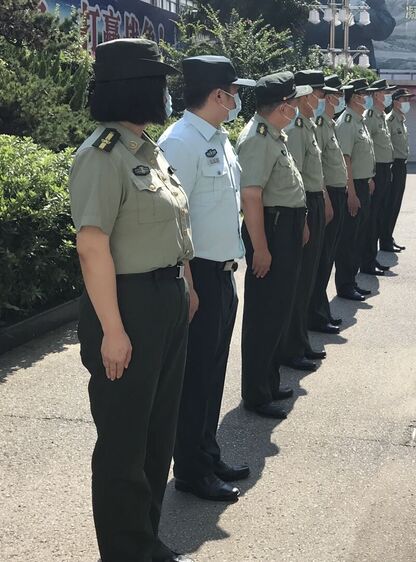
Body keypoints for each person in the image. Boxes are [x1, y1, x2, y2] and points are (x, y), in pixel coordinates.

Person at [68, 38, 194, 562]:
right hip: (127, 306)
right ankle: (124, 552)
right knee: (124, 441)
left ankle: (146, 540)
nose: (165, 94)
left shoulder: (148, 149)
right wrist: (114, 331)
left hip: (165, 299)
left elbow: (173, 227)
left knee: (158, 432)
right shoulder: (101, 156)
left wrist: (186, 286)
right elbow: (92, 247)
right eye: (159, 83)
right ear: (133, 88)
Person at [158, 56, 255, 503]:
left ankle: (207, 452)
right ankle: (192, 470)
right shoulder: (180, 142)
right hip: (198, 276)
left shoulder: (218, 138)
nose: (236, 100)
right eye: (233, 92)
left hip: (223, 273)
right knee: (195, 378)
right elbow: (173, 221)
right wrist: (189, 283)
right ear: (218, 95)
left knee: (213, 373)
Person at [236, 72, 311, 419]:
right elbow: (251, 196)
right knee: (264, 315)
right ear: (283, 106)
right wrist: (261, 249)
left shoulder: (274, 135)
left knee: (278, 309)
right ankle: (256, 393)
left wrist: (301, 223)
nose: (297, 108)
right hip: (272, 230)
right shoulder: (258, 138)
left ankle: (268, 380)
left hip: (286, 226)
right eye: (294, 102)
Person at [280, 70, 332, 372]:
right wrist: (305, 218)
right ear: (304, 97)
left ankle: (301, 341)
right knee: (300, 284)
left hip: (313, 199)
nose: (322, 99)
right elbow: (297, 177)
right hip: (304, 204)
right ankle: (292, 346)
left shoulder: (308, 125)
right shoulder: (297, 129)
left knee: (310, 277)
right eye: (319, 94)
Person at [308, 74, 348, 333]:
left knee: (327, 257)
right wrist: (325, 199)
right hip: (326, 194)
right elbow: (318, 167)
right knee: (321, 261)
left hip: (335, 192)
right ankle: (316, 314)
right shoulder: (319, 124)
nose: (337, 99)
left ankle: (321, 310)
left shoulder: (328, 123)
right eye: (332, 95)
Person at [334, 78, 376, 301]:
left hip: (361, 183)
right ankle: (345, 284)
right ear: (354, 98)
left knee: (358, 235)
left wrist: (368, 179)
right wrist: (351, 192)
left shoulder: (359, 121)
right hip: (352, 186)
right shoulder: (347, 122)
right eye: (363, 95)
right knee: (349, 238)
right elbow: (346, 159)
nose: (367, 98)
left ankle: (352, 280)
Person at [361, 78, 396, 275]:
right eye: (385, 92)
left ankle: (371, 258)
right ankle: (366, 261)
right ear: (376, 95)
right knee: (371, 219)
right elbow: (368, 150)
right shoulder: (370, 116)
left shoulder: (381, 115)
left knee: (379, 215)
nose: (388, 96)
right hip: (376, 171)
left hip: (385, 169)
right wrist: (371, 176)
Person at [304, 0, 395, 68]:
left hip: (360, 69)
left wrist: (359, 10)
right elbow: (300, 27)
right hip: (318, 67)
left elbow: (384, 29)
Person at [381, 87, 415, 253]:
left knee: (396, 204)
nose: (407, 103)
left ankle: (389, 236)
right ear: (395, 102)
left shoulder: (401, 120)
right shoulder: (389, 120)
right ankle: (385, 239)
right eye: (404, 99)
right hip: (394, 165)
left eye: (408, 100)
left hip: (402, 165)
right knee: (390, 204)